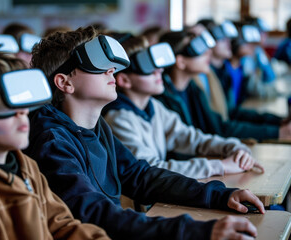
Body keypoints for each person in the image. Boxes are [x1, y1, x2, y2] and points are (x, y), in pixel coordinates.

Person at [25, 26, 265, 240]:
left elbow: (139, 175)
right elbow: (94, 213)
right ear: (64, 82)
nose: (111, 70)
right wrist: (196, 231)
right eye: (96, 66)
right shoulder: (51, 142)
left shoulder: (97, 127)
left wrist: (218, 196)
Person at [0, 48, 110, 240]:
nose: (22, 112)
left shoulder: (24, 165)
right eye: (2, 106)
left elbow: (62, 226)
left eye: (18, 102)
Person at [103, 33, 263, 178]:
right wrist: (219, 166)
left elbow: (192, 138)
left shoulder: (154, 107)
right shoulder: (118, 118)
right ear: (124, 80)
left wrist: (233, 147)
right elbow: (151, 169)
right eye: (147, 68)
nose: (159, 70)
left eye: (157, 64)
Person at [156, 30, 291, 142]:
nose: (208, 52)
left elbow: (219, 123)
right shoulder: (164, 99)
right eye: (198, 50)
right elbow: (215, 129)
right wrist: (276, 131)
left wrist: (278, 124)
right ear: (180, 62)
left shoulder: (192, 89)